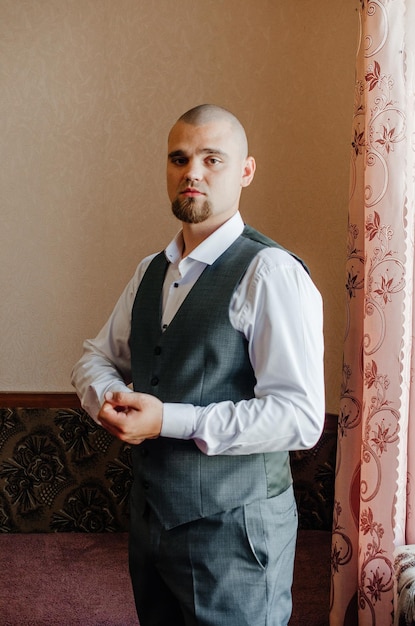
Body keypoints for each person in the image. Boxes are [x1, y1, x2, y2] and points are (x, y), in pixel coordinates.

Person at [71, 103, 325, 626]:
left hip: (236, 533)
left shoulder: (270, 272)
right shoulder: (149, 271)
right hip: (151, 523)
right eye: (180, 158)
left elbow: (300, 417)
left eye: (213, 159)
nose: (193, 172)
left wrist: (168, 419)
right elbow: (97, 357)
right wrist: (105, 400)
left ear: (246, 171)